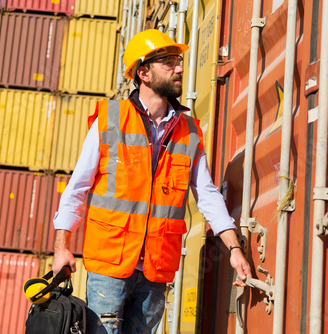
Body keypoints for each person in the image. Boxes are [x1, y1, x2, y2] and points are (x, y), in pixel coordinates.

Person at [52, 29, 252, 333]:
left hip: (156, 269)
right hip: (110, 264)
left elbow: (208, 194)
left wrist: (234, 248)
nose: (180, 68)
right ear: (143, 72)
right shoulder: (111, 119)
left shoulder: (190, 130)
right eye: (169, 62)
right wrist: (61, 247)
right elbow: (77, 188)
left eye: (179, 61)